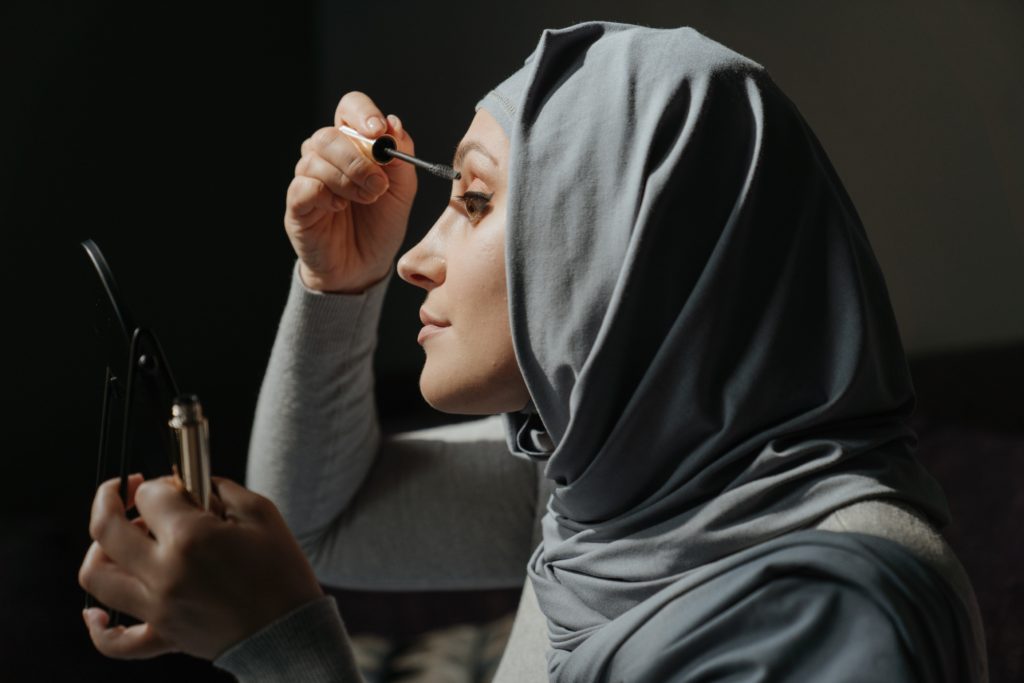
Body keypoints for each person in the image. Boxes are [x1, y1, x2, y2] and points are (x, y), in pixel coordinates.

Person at [80, 21, 988, 682]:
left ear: (622, 249)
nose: (416, 259)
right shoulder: (602, 490)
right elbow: (318, 524)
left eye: (470, 199)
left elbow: (295, 559)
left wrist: (282, 649)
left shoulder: (832, 612)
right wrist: (335, 286)